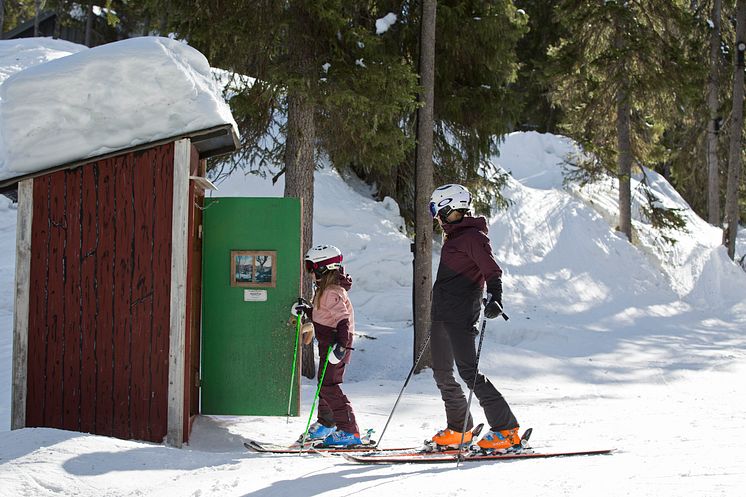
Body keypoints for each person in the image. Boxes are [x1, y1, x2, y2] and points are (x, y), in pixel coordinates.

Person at [427, 184, 521, 451]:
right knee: (442, 372)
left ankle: (506, 429)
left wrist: (496, 296)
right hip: (442, 315)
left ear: (450, 208)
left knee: (469, 373)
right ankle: (459, 429)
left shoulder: (472, 237)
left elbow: (492, 270)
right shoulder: (455, 238)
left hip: (459, 315)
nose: (437, 217)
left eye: (437, 210)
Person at [291, 244, 361, 447]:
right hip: (328, 347)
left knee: (330, 387)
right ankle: (327, 423)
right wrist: (308, 310)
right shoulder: (324, 291)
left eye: (311, 267)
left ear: (323, 268)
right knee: (324, 386)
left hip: (336, 347)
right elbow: (324, 316)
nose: (310, 273)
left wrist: (340, 347)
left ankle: (350, 431)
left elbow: (342, 320)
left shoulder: (332, 292)